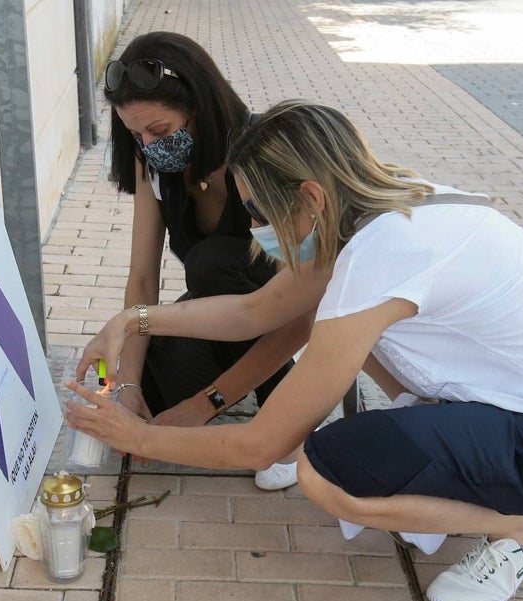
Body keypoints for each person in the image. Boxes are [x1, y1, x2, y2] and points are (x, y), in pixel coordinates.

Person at [66, 100, 523, 601]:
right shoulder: (392, 205)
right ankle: (461, 470)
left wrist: (139, 437)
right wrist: (133, 319)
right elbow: (259, 311)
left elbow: (266, 442)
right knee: (333, 341)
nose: (252, 227)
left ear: (310, 197)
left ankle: (522, 525)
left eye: (257, 211)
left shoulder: (383, 254)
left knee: (327, 472)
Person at [98, 32, 314, 489]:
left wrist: (206, 404)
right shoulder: (152, 163)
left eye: (159, 131)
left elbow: (301, 313)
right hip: (223, 310)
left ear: (199, 105)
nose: (150, 146)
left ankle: (285, 421)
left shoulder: (261, 156)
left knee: (211, 261)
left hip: (282, 312)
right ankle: (252, 388)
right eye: (135, 135)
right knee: (152, 397)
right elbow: (141, 278)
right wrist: (128, 387)